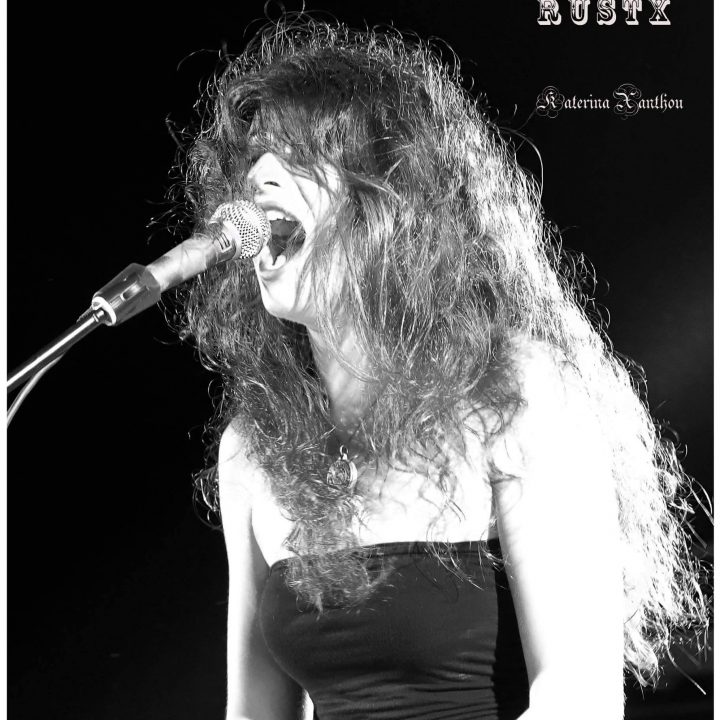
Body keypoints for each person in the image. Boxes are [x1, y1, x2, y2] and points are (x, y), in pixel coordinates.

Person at [177, 17, 709, 720]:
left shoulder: (513, 392)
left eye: (298, 155)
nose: (258, 177)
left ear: (388, 199)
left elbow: (578, 695)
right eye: (255, 159)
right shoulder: (253, 450)